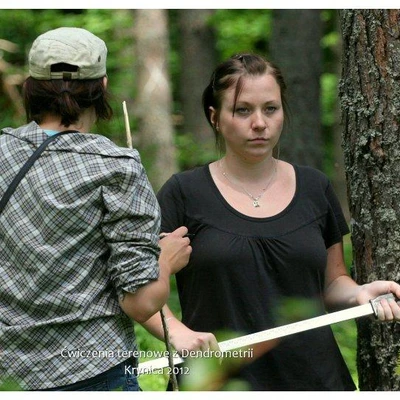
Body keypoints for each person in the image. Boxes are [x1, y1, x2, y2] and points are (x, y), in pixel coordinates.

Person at [142, 53, 400, 391]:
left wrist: (359, 294)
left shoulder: (314, 187)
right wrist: (176, 331)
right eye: (243, 110)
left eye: (270, 108)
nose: (260, 123)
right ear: (215, 117)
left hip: (316, 381)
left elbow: (333, 281)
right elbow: (138, 288)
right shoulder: (184, 193)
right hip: (218, 382)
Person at [0, 27, 191, 391]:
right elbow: (140, 303)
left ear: (30, 87)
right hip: (94, 371)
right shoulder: (115, 167)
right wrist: (165, 260)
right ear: (102, 86)